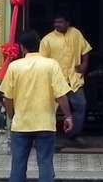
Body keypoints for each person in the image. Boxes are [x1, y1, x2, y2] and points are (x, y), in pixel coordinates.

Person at [0, 29, 73, 182]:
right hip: (45, 123)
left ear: (22, 47)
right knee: (46, 165)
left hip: (21, 123)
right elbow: (61, 95)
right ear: (39, 44)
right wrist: (68, 116)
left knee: (18, 165)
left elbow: (7, 97)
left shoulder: (15, 67)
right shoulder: (51, 65)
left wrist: (11, 114)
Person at [39, 13, 92, 141]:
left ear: (68, 23)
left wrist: (84, 65)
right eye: (56, 22)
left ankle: (73, 134)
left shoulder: (76, 33)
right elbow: (41, 61)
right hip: (55, 81)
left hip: (74, 79)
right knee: (49, 109)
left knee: (81, 105)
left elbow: (85, 50)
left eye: (61, 22)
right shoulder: (47, 40)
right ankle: (48, 137)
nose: (57, 24)